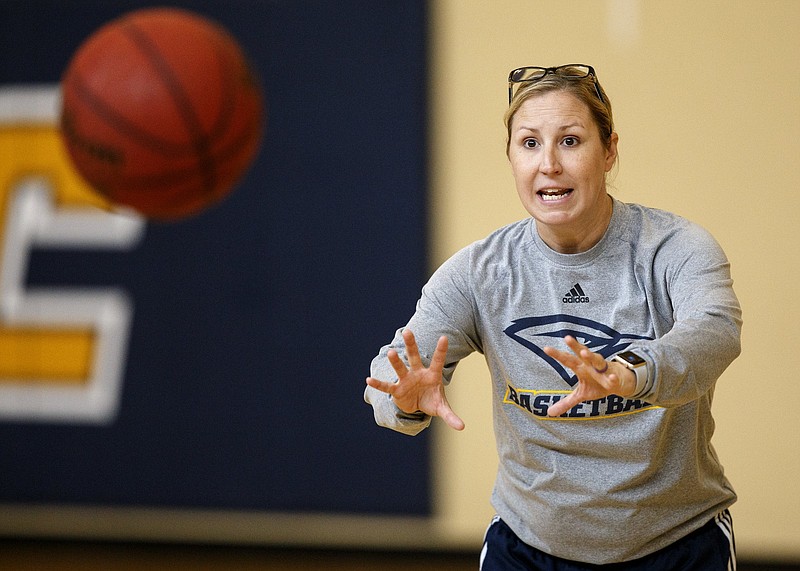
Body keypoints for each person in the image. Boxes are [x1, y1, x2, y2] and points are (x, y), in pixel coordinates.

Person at [363, 64, 742, 569]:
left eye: (569, 141)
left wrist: (632, 373)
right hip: (528, 548)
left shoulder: (675, 249)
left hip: (675, 544)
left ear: (608, 151)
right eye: (529, 144)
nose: (549, 165)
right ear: (512, 159)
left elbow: (714, 332)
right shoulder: (480, 271)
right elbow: (390, 373)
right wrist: (404, 400)